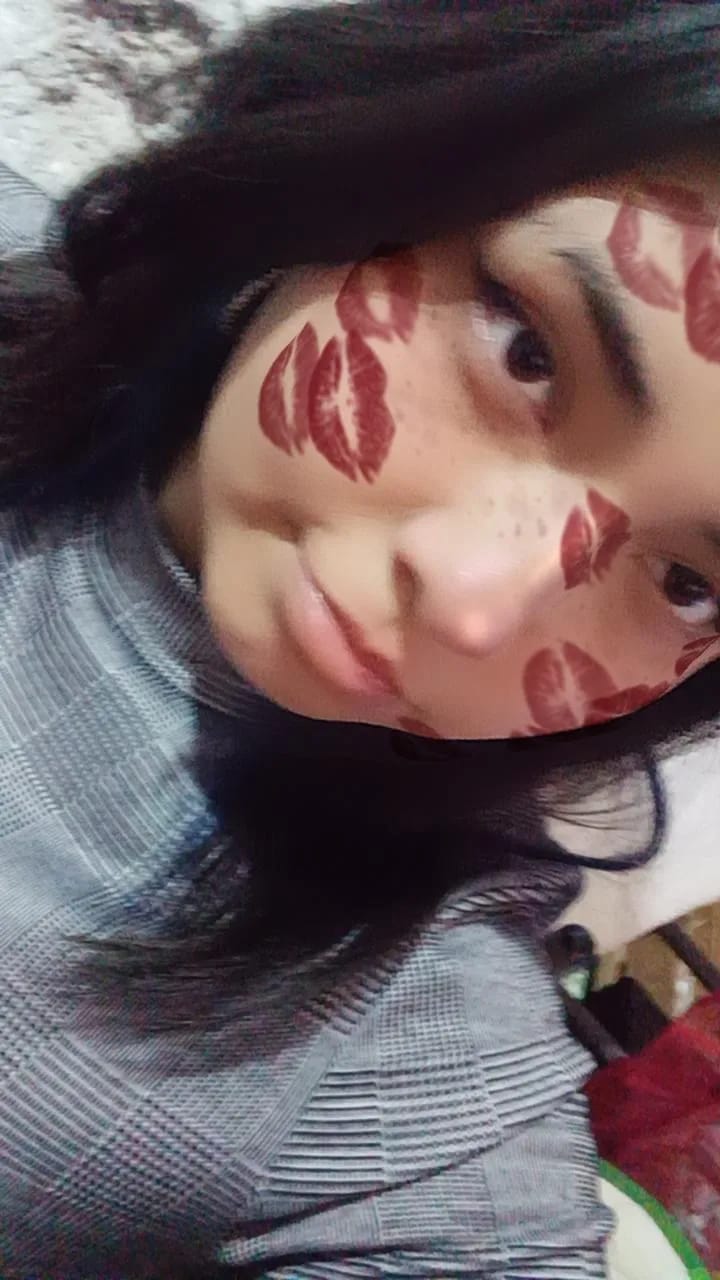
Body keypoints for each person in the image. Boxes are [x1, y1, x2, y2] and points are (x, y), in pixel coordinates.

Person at [2, 1, 720, 1275]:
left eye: (687, 581)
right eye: (528, 350)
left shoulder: (401, 1050)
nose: (475, 602)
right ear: (381, 183)